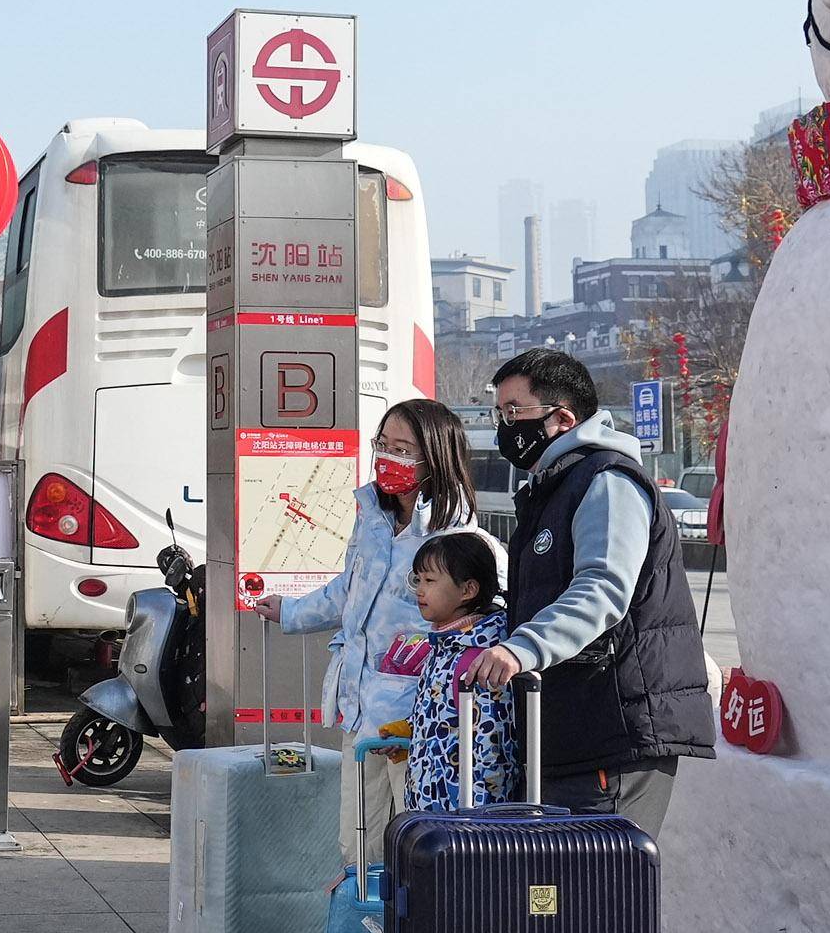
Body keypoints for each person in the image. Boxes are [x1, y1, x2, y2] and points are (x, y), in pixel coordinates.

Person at [462, 347, 717, 820]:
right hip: (568, 726)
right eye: (500, 412)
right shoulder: (553, 488)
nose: (505, 425)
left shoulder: (607, 481)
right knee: (559, 888)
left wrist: (522, 649)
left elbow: (603, 588)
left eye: (514, 411)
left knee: (599, 886)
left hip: (612, 729)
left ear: (561, 417)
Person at [250, 397, 492, 843]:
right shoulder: (373, 520)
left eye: (402, 449)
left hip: (422, 723)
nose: (387, 458)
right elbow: (350, 589)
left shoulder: (460, 540)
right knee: (357, 843)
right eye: (382, 445)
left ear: (435, 457)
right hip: (361, 711)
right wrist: (292, 611)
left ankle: (412, 916)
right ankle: (364, 915)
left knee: (419, 839)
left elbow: (478, 628)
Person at [401, 532, 522, 812]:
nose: (420, 589)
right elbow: (443, 717)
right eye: (418, 580)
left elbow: (491, 750)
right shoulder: (444, 646)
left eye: (430, 581)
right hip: (432, 813)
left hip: (464, 826)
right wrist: (408, 730)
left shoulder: (482, 657)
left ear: (468, 590)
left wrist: (479, 824)